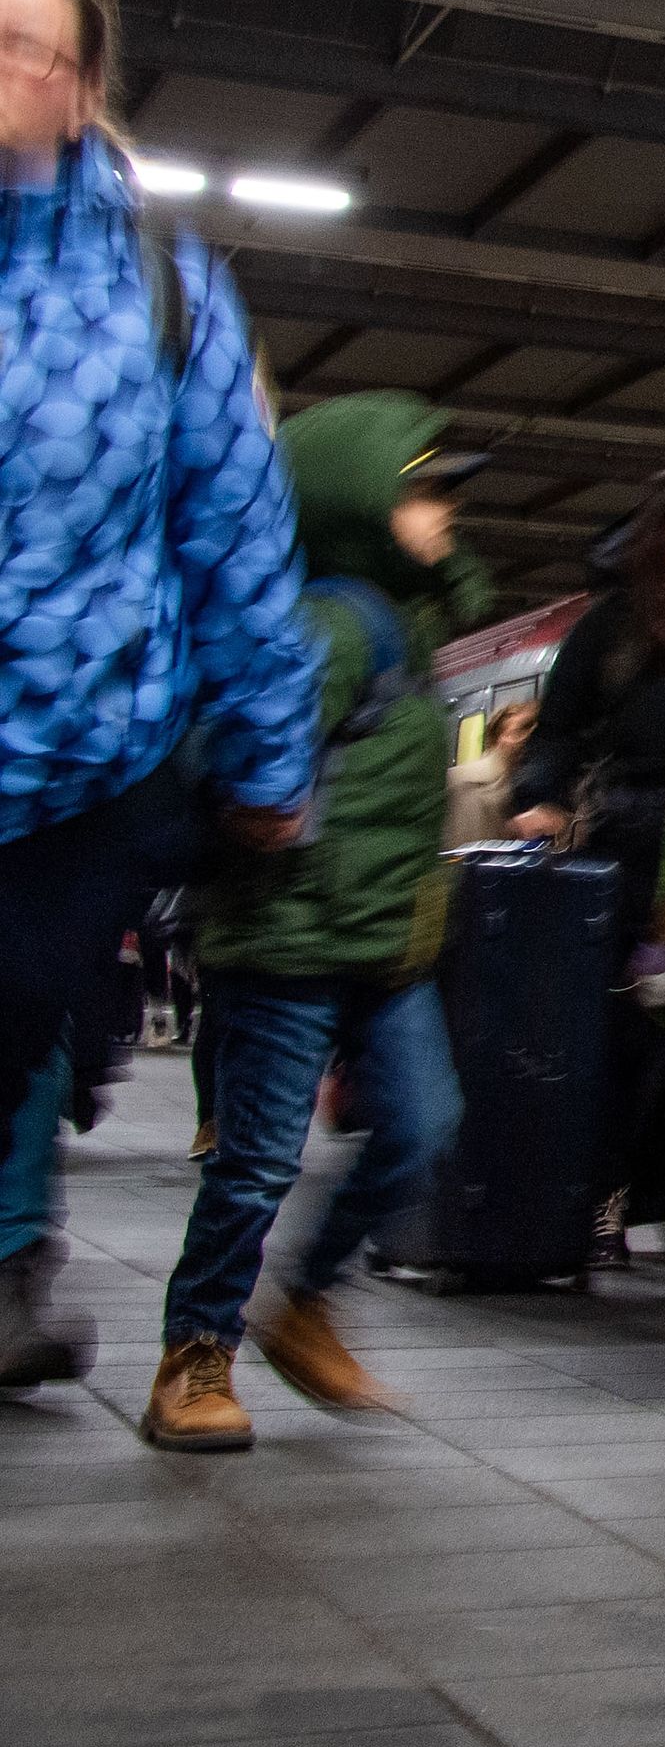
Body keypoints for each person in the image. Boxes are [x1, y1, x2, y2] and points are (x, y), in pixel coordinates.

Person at [0, 0, 316, 1401]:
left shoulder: (160, 286)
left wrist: (265, 769)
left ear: (81, 87)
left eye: (26, 46)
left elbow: (236, 536)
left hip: (72, 781)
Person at [145, 393, 497, 1450]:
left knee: (423, 1126)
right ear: (356, 504)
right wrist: (259, 794)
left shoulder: (413, 627)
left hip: (382, 941)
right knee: (255, 1162)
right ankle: (194, 1353)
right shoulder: (337, 618)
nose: (446, 512)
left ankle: (303, 1299)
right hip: (290, 936)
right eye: (423, 491)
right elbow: (239, 740)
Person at [510, 464, 665, 1268]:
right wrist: (538, 794)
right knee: (627, 1034)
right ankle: (607, 1192)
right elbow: (557, 730)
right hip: (631, 841)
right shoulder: (611, 626)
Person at [446, 698, 535, 847]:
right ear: (498, 737)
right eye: (520, 730)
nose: (526, 739)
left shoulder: (521, 786)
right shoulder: (465, 782)